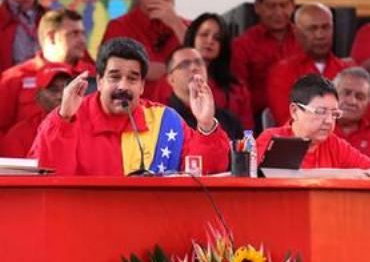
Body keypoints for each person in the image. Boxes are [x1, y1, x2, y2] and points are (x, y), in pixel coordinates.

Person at [29, 37, 229, 176]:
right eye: (114, 77)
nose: (123, 86)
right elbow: (45, 176)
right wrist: (63, 120)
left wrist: (206, 126)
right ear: (99, 81)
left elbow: (208, 174)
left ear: (142, 86)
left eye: (132, 79)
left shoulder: (165, 121)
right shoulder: (69, 118)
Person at [0, 8, 94, 153]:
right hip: (28, 160)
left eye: (82, 33)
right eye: (74, 34)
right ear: (51, 37)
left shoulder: (93, 75)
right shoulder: (15, 77)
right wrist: (13, 157)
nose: (82, 40)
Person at [256, 74, 370, 179]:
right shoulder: (273, 138)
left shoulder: (334, 144)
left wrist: (355, 175)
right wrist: (337, 175)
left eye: (334, 114)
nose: (329, 121)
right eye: (320, 112)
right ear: (295, 111)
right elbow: (266, 176)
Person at [266, 2, 370, 126]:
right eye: (312, 29)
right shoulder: (282, 72)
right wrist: (344, 118)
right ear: (296, 32)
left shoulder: (349, 69)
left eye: (325, 27)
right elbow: (288, 118)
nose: (320, 35)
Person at [154, 13, 253, 129]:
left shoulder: (237, 88)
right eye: (204, 35)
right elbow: (156, 123)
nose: (210, 41)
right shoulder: (167, 82)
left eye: (217, 38)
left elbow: (247, 133)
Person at [101, 0, 187, 98]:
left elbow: (203, 67)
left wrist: (176, 24)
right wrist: (179, 69)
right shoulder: (119, 27)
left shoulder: (186, 27)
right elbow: (114, 73)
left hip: (182, 107)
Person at [231, 0, 300, 125]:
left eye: (283, 5)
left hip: (305, 117)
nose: (278, 12)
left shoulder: (305, 40)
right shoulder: (242, 45)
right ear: (258, 7)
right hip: (259, 122)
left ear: (292, 5)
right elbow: (239, 97)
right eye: (271, 6)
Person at [0, 62, 72, 157]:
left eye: (68, 89)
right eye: (53, 90)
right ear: (38, 97)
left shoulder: (86, 128)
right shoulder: (19, 135)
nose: (61, 96)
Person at [166, 47, 243, 140]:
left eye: (199, 62)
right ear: (171, 79)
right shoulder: (163, 121)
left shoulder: (229, 120)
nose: (194, 68)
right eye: (184, 65)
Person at [332, 67, 370, 174]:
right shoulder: (319, 131)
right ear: (333, 95)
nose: (352, 101)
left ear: (368, 103)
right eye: (346, 93)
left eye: (360, 97)